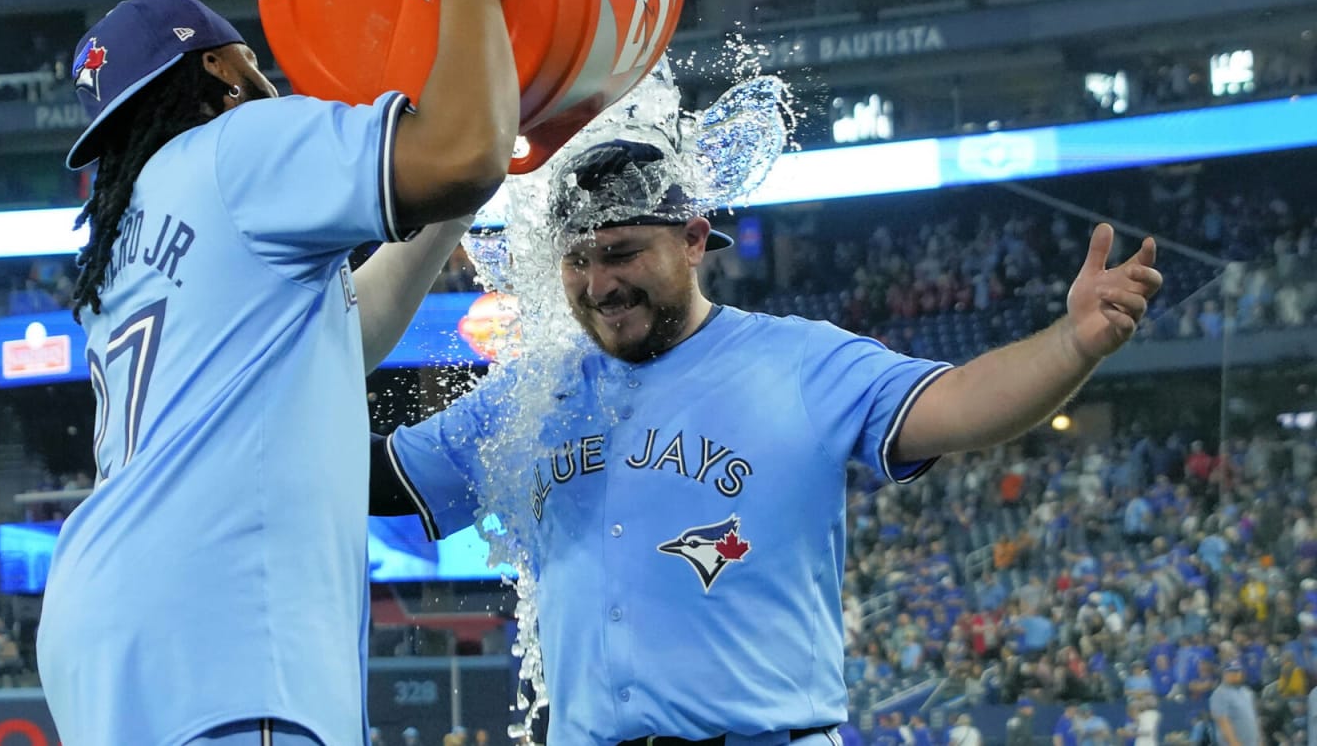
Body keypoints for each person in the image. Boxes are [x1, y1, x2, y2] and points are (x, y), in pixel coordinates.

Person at [370, 136, 1164, 744]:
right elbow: (383, 482)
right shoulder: (533, 392)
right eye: (577, 262)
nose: (599, 284)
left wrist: (1073, 342)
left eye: (621, 252)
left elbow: (961, 403)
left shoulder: (800, 358)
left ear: (692, 239)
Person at [35, 0, 550, 743]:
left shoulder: (122, 246)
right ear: (221, 74)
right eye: (253, 67)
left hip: (108, 628)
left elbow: (350, 332)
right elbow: (461, 150)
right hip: (223, 624)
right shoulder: (238, 146)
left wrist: (457, 196)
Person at [1209, 662, 1261, 746]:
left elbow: (1254, 718)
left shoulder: (1247, 692)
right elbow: (1223, 721)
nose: (1236, 674)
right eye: (1232, 671)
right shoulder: (1219, 694)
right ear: (1225, 674)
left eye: (1238, 671)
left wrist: (1260, 740)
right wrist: (1233, 742)